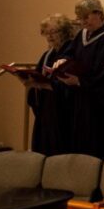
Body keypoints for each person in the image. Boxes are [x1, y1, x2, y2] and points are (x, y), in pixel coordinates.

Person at [53, 0, 104, 158]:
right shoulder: (81, 35)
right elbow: (70, 54)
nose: (82, 22)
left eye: (86, 17)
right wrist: (63, 60)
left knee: (99, 148)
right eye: (80, 18)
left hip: (102, 104)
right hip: (81, 101)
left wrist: (81, 81)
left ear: (98, 13)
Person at [27, 14, 74, 154]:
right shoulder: (47, 55)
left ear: (64, 32)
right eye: (46, 33)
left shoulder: (71, 51)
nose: (49, 36)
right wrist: (30, 82)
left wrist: (52, 86)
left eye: (53, 32)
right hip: (45, 110)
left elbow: (70, 84)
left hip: (62, 113)